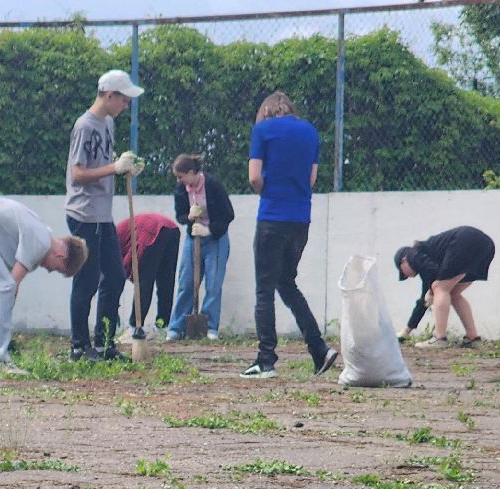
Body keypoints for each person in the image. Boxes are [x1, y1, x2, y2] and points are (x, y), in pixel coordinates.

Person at [242, 92, 338, 380]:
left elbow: (254, 176)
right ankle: (319, 349)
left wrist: (267, 193)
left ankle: (266, 359)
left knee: (264, 289)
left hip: (272, 216)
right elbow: (311, 179)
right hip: (301, 219)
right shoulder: (310, 132)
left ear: (267, 111)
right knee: (287, 283)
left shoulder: (263, 131)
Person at [0, 196, 87, 378]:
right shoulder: (40, 242)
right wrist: (3, 310)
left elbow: (13, 285)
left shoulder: (41, 235)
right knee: (0, 287)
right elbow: (10, 286)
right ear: (61, 255)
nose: (50, 270)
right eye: (58, 269)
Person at [64, 69, 146, 362]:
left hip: (102, 215)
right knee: (86, 280)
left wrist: (124, 166)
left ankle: (104, 343)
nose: (126, 106)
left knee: (115, 275)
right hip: (84, 214)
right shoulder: (84, 126)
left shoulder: (108, 124)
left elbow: (104, 163)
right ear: (109, 95)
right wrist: (114, 169)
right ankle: (78, 346)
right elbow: (78, 173)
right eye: (123, 100)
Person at [166, 154, 234, 341]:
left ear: (191, 172)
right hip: (193, 237)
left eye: (181, 176)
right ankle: (177, 327)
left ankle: (210, 327)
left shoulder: (213, 185)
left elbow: (228, 214)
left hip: (216, 239)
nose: (178, 180)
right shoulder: (181, 189)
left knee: (213, 283)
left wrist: (209, 230)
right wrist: (188, 217)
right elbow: (179, 215)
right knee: (186, 282)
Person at [395, 226, 495, 348]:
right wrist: (406, 331)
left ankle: (439, 338)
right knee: (452, 293)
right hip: (486, 245)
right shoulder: (425, 258)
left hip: (464, 241)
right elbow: (423, 301)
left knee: (439, 287)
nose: (408, 276)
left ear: (403, 260)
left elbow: (435, 274)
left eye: (403, 272)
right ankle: (472, 337)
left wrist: (432, 292)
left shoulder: (413, 254)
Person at [117, 212, 180, 340]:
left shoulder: (110, 242)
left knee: (144, 282)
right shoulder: (114, 235)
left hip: (151, 230)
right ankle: (162, 327)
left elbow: (124, 267)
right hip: (172, 229)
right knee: (166, 281)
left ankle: (135, 327)